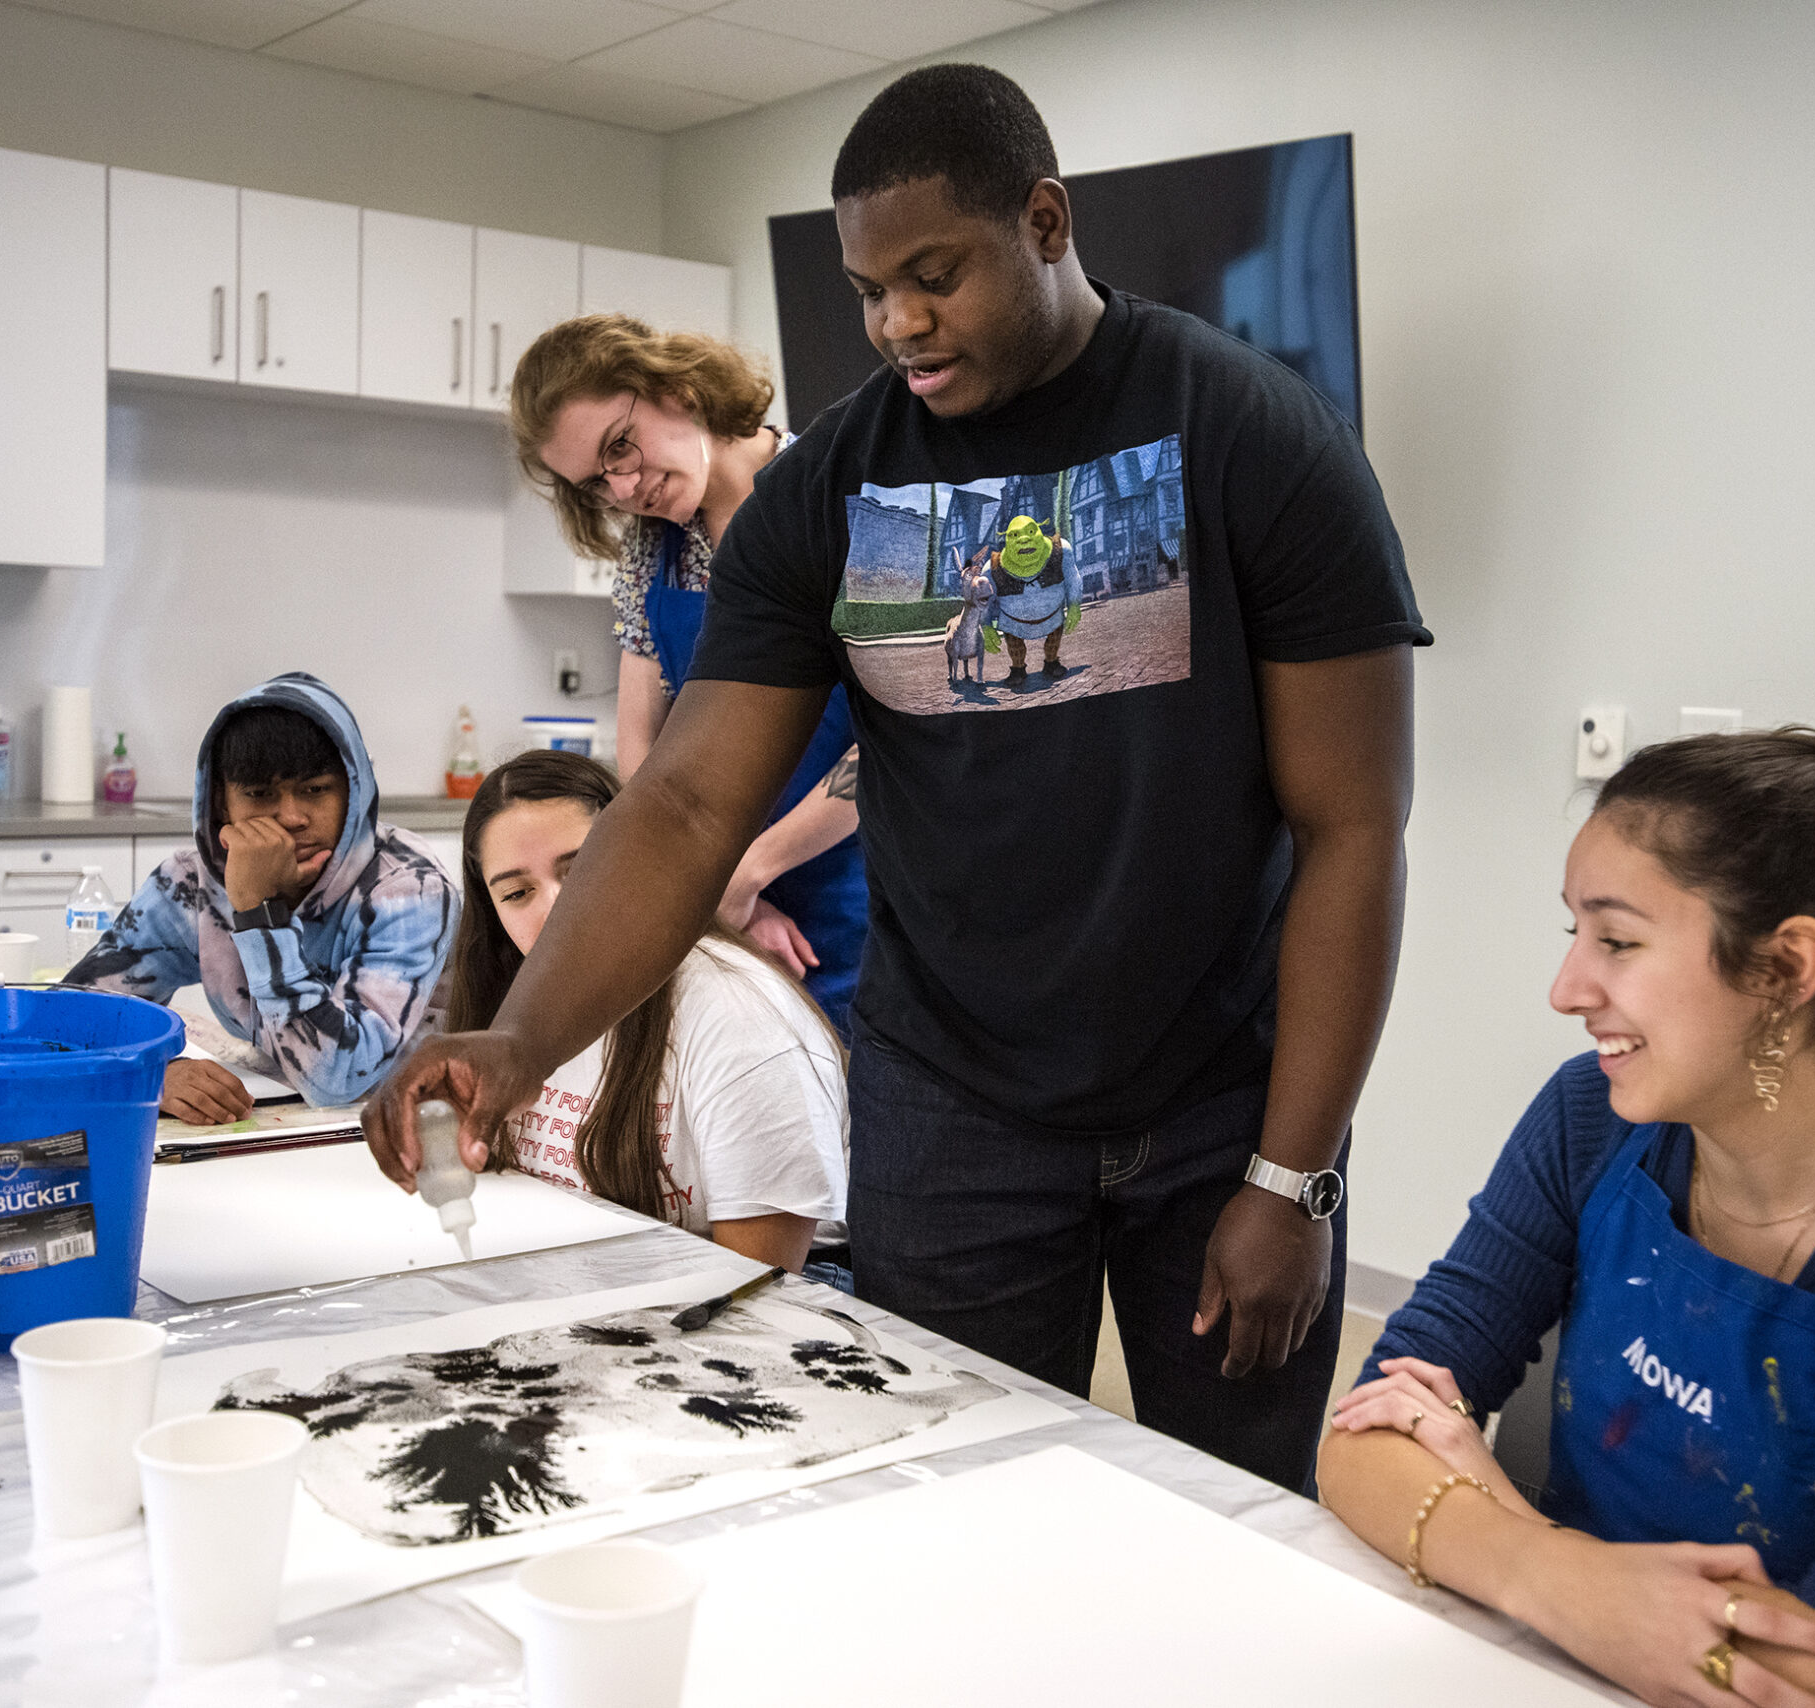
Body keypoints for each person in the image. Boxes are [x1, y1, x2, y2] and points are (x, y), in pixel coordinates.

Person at [368, 63, 1425, 1496]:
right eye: (871, 289)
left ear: (1045, 223)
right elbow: (682, 804)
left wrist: (1291, 1177)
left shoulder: (1253, 436)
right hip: (955, 1110)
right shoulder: (830, 493)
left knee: (1228, 1511)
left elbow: (1351, 826)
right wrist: (520, 1045)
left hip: (1220, 1100)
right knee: (954, 1497)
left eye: (936, 275)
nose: (898, 324)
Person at [1317, 726, 1815, 1708]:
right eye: (1571, 934)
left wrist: (1494, 1523)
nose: (1567, 989)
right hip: (1572, 1660)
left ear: (1785, 970)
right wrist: (1562, 1577)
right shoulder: (1588, 1120)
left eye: (1616, 940)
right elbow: (1363, 1441)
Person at [510, 314, 867, 1038]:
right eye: (597, 481)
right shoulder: (657, 550)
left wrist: (748, 869)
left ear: (676, 386)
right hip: (731, 911)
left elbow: (896, 742)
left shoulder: (836, 497)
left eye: (621, 445)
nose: (626, 485)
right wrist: (720, 892)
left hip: (868, 895)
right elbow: (645, 758)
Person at [368, 749, 848, 1275]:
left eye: (583, 871)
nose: (556, 910)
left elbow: (757, 1285)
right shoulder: (500, 1004)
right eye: (517, 892)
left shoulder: (738, 1013)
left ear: (641, 863)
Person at [66, 672, 461, 1120]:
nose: (292, 816)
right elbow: (74, 1019)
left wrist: (259, 911)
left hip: (408, 1122)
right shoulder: (192, 883)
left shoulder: (409, 890)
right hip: (281, 1121)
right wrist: (152, 1074)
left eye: (315, 790)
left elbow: (339, 1078)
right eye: (259, 794)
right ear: (221, 805)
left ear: (354, 792)